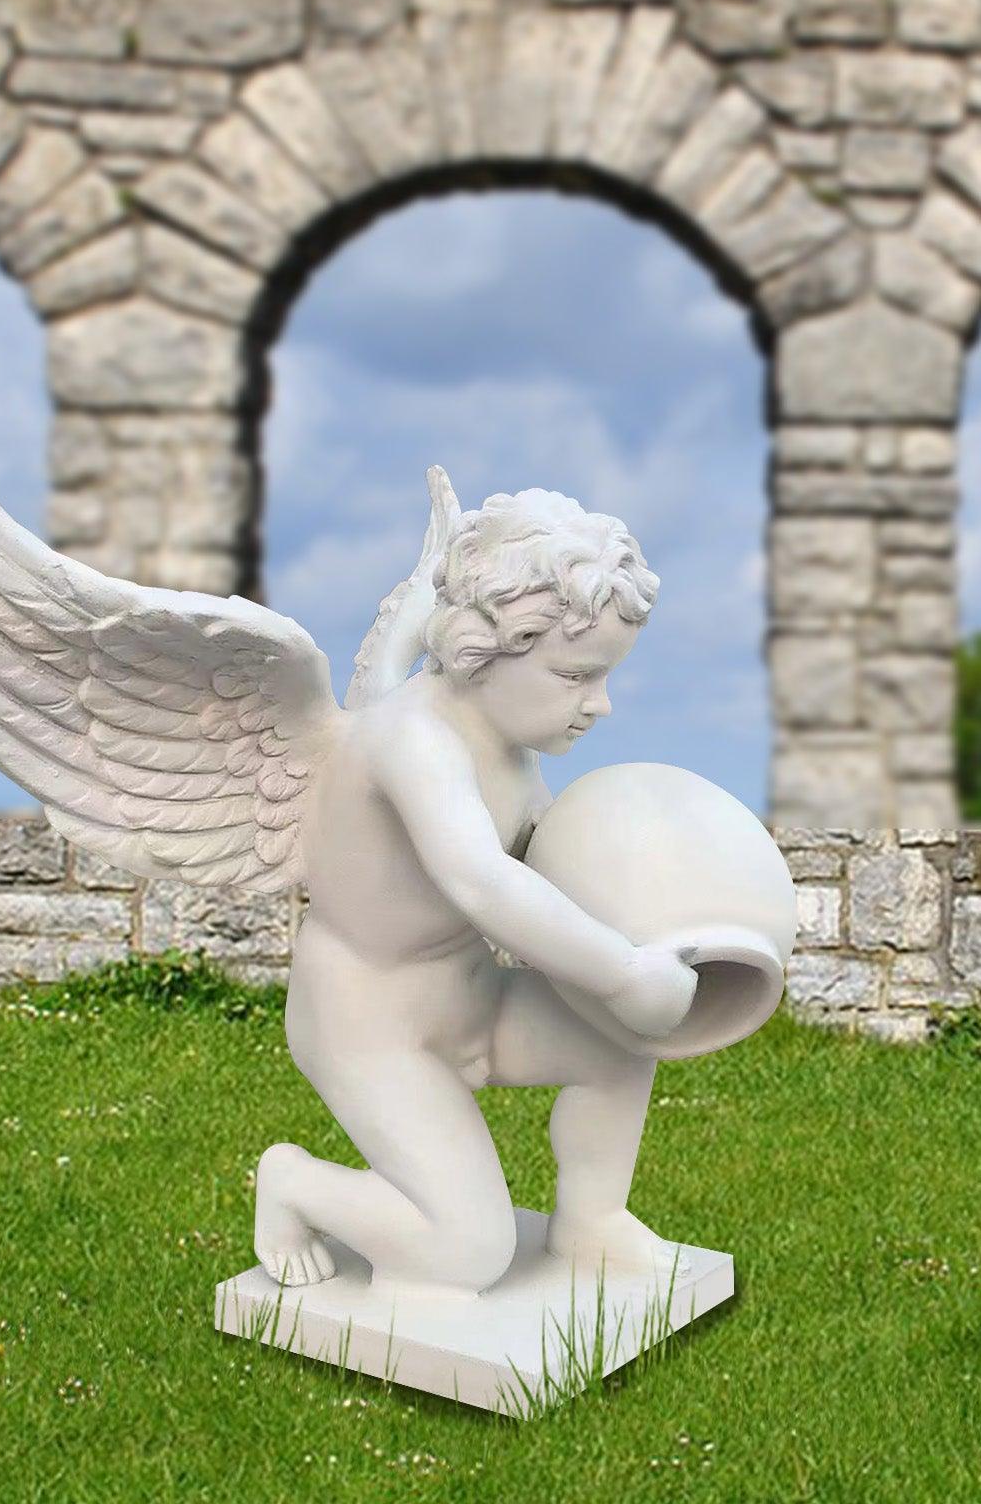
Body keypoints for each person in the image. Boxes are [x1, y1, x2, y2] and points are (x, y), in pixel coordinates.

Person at [253, 485, 698, 1293]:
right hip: (371, 1029)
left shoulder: (507, 740)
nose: (598, 704)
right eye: (575, 675)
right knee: (465, 1251)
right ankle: (295, 1184)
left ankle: (593, 1223)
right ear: (492, 647)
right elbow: (483, 883)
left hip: (472, 997)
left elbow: (557, 864)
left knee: (619, 1047)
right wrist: (624, 973)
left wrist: (657, 925)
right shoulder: (412, 740)